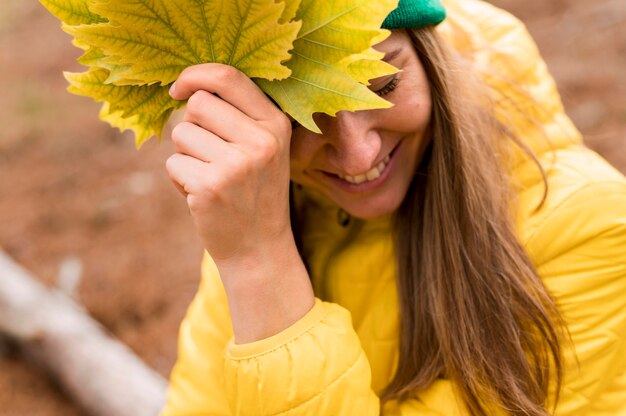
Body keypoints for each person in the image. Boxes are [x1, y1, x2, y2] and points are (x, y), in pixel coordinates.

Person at [161, 0, 626, 414]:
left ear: (430, 57)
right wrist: (257, 256)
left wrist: (263, 268)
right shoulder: (256, 226)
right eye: (300, 117)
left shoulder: (587, 227)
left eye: (383, 87)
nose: (357, 155)